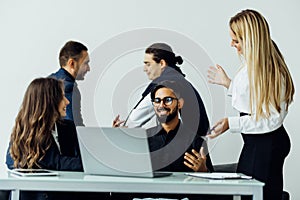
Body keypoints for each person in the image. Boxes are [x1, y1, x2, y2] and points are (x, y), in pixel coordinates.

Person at [207, 9, 294, 200]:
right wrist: (229, 84)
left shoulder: (270, 71)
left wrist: (231, 123)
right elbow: (255, 99)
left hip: (265, 143)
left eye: (236, 40)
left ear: (250, 39)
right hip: (260, 142)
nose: (232, 44)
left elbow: (271, 119)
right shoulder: (257, 66)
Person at [6, 77, 108, 200]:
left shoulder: (67, 127)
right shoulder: (24, 130)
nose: (67, 102)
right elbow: (12, 160)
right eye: (62, 97)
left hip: (68, 191)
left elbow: (77, 159)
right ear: (49, 101)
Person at [114, 43, 210, 138]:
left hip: (187, 147)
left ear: (162, 63)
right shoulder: (182, 82)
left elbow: (133, 122)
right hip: (197, 145)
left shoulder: (164, 84)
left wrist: (120, 132)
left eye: (148, 64)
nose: (145, 69)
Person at [50, 40, 90, 126]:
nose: (88, 68)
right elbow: (75, 129)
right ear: (72, 63)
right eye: (86, 63)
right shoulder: (69, 88)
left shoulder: (48, 81)